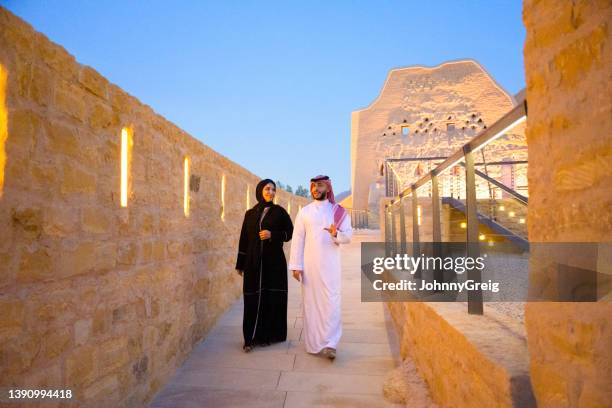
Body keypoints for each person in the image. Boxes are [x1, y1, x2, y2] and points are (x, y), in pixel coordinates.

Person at [288, 175, 353, 360]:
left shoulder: (338, 212)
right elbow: (298, 239)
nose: (315, 189)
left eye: (319, 185)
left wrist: (336, 234)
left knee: (332, 302)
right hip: (310, 266)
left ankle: (331, 344)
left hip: (331, 266)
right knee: (311, 304)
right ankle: (315, 344)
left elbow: (348, 236)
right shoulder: (305, 212)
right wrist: (296, 265)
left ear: (328, 188)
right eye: (313, 186)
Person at [235, 179, 294, 352]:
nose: (271, 192)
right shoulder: (250, 214)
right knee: (252, 297)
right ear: (260, 190)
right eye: (267, 189)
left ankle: (269, 335)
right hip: (253, 262)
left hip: (274, 262)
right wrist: (241, 263)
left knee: (271, 298)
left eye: (273, 189)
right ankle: (249, 338)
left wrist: (272, 234)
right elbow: (243, 240)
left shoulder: (280, 212)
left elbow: (289, 233)